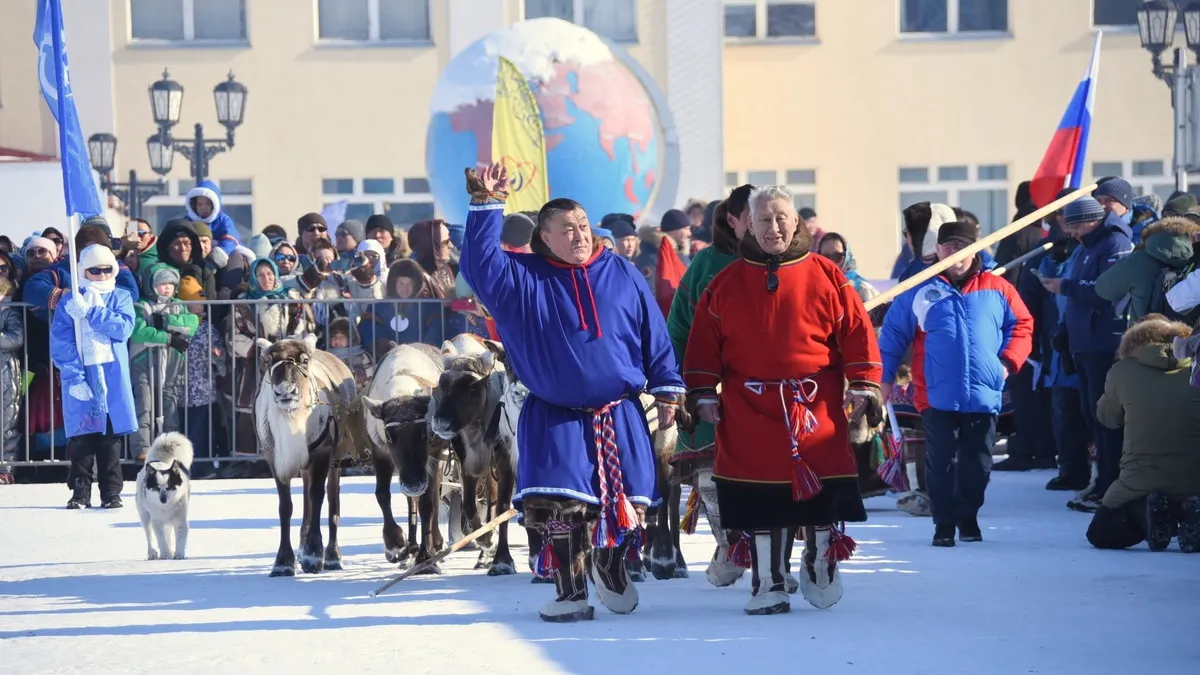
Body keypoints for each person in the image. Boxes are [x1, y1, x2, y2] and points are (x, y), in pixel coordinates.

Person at [459, 163, 684, 623]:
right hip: (555, 415)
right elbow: (479, 264)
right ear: (544, 236)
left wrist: (667, 392)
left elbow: (653, 334)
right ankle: (569, 592)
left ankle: (610, 564)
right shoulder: (521, 278)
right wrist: (486, 205)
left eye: (583, 225)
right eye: (567, 229)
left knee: (625, 506)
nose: (579, 235)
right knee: (559, 506)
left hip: (618, 412)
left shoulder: (621, 271)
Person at [683, 185, 883, 616]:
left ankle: (819, 559)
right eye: (763, 220)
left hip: (815, 405)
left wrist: (864, 383)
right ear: (746, 226)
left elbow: (857, 334)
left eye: (781, 218)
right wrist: (701, 392)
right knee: (760, 499)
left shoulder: (829, 276)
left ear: (796, 222)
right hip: (748, 407)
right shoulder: (724, 283)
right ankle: (769, 582)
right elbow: (703, 346)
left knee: (821, 492)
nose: (773, 227)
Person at [878, 221, 1033, 547]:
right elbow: (893, 334)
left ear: (975, 248)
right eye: (948, 247)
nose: (954, 253)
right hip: (936, 393)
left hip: (984, 391)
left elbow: (1022, 325)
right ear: (937, 250)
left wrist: (1007, 362)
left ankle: (969, 516)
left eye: (961, 246)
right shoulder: (921, 288)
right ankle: (944, 523)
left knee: (978, 463)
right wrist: (885, 378)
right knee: (940, 461)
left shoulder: (998, 287)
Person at [666, 184, 753, 588]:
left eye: (772, 215)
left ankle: (775, 561)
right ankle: (729, 543)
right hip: (709, 387)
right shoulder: (705, 264)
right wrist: (681, 382)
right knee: (709, 474)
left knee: (769, 476)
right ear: (730, 220)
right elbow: (680, 327)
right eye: (751, 215)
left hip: (768, 389)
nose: (762, 223)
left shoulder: (791, 263)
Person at [1040, 197, 1134, 512]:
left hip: (1104, 345)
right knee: (1091, 416)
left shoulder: (1114, 244)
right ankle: (1101, 479)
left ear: (1094, 219)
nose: (1075, 232)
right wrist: (1065, 332)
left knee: (1107, 418)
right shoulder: (1085, 247)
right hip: (1084, 344)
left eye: (1078, 225)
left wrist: (1066, 287)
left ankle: (1111, 483)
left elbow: (1106, 290)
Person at [1087, 315, 1200, 552]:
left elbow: (1108, 419)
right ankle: (1190, 515)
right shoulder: (1196, 367)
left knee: (1100, 534)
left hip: (1139, 480)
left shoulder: (1122, 371)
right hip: (1195, 475)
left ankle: (1146, 517)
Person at [51, 244, 137, 509]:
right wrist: (74, 377)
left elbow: (123, 328)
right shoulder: (70, 300)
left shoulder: (120, 296)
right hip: (83, 377)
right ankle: (80, 490)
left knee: (110, 441)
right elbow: (60, 341)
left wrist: (91, 312)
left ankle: (111, 492)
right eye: (94, 270)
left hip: (111, 378)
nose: (100, 275)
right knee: (81, 438)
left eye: (106, 269)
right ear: (83, 272)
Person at [128, 264, 198, 461]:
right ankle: (142, 447)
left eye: (170, 283)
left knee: (170, 406)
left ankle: (169, 450)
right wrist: (168, 338)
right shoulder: (141, 305)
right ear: (151, 285)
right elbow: (139, 332)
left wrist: (164, 322)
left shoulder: (179, 305)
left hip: (171, 363)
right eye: (161, 283)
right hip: (143, 361)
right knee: (144, 405)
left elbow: (191, 324)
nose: (166, 287)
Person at [185, 180, 242, 256]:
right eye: (200, 204)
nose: (203, 208)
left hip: (222, 255)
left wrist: (219, 254)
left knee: (237, 256)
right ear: (194, 206)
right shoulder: (188, 221)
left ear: (214, 204)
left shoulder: (223, 220)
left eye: (207, 204)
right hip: (195, 255)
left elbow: (230, 239)